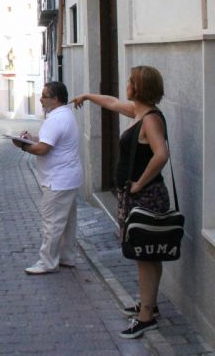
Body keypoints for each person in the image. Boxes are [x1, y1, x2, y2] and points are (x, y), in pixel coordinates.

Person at [71, 65, 169, 339]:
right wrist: (88, 96)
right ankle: (150, 304)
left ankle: (146, 316)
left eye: (130, 81)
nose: (126, 84)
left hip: (145, 197)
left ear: (138, 87)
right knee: (148, 254)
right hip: (140, 196)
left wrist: (139, 183)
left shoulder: (149, 119)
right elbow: (113, 103)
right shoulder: (140, 112)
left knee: (144, 256)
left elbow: (161, 154)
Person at [12, 82, 82, 276]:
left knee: (52, 223)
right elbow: (46, 141)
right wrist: (31, 138)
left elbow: (43, 149)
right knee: (67, 222)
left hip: (57, 180)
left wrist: (22, 145)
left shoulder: (56, 119)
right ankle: (67, 257)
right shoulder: (64, 115)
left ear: (56, 99)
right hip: (68, 178)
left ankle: (47, 262)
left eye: (44, 96)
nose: (41, 99)